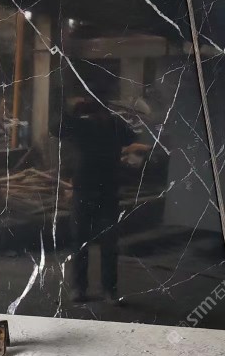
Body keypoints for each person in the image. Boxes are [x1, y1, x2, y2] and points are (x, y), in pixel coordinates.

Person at [59, 98, 142, 303]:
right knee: (81, 241)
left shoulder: (113, 125)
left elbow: (131, 136)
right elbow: (57, 128)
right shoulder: (82, 125)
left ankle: (108, 290)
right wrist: (72, 109)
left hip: (106, 190)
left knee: (107, 242)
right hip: (86, 189)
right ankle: (82, 288)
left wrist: (117, 117)